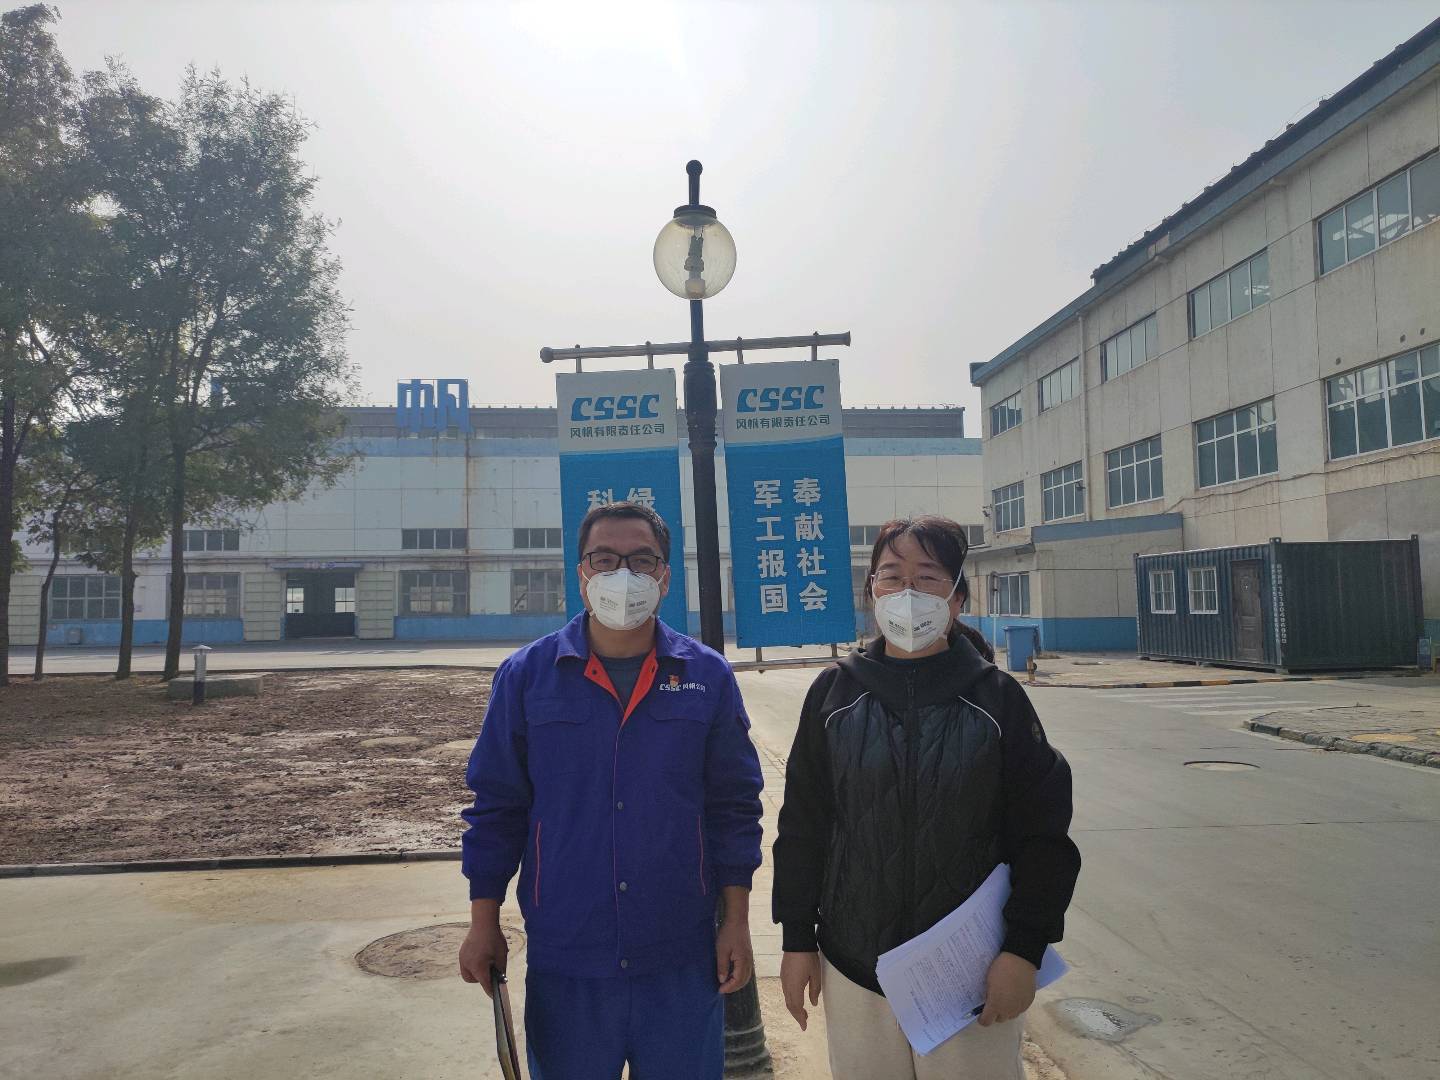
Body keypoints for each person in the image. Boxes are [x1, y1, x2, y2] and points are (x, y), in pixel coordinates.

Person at [458, 500, 764, 1080]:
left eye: (641, 560)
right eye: (605, 559)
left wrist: (736, 921)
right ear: (582, 573)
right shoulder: (528, 676)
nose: (623, 575)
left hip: (678, 952)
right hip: (567, 952)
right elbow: (497, 806)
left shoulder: (706, 676)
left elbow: (734, 806)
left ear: (665, 576)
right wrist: (483, 920)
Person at [772, 515, 1081, 1079]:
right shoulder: (835, 695)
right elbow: (803, 827)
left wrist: (1023, 951)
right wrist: (797, 940)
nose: (907, 592)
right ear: (872, 591)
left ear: (958, 597)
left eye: (928, 577)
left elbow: (1043, 837)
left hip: (968, 976)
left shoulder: (998, 701)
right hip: (855, 964)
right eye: (891, 576)